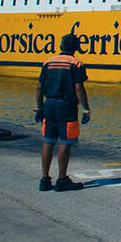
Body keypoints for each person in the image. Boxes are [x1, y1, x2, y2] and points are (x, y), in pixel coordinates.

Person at [35, 34, 91, 191]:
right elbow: (79, 88)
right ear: (77, 47)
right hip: (66, 107)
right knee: (65, 143)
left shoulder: (48, 62)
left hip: (49, 105)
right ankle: (62, 180)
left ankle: (45, 179)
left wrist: (39, 108)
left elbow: (39, 87)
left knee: (48, 141)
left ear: (60, 46)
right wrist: (86, 109)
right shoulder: (76, 64)